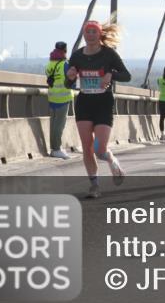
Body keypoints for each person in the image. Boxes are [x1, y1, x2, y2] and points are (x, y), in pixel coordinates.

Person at [66, 21, 132, 198]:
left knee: (99, 149)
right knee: (87, 147)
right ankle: (94, 186)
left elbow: (127, 75)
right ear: (84, 34)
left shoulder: (109, 54)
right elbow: (68, 83)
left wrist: (112, 75)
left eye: (94, 31)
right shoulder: (77, 56)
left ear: (99, 33)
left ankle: (112, 160)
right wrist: (70, 77)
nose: (90, 34)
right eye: (87, 32)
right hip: (84, 102)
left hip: (103, 102)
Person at [45, 41, 72, 159]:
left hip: (52, 97)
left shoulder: (49, 64)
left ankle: (54, 148)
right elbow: (71, 78)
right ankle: (56, 149)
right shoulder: (64, 64)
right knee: (59, 125)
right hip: (63, 98)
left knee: (53, 124)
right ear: (65, 51)